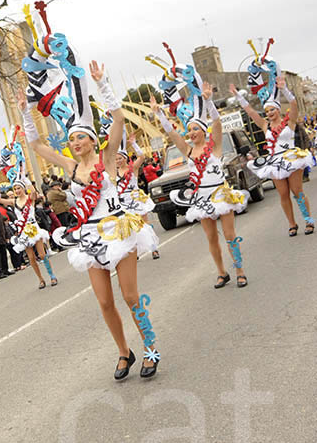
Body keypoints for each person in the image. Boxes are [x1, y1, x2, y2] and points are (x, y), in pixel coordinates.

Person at [20, 3, 161, 379]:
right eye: (73, 139)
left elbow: (116, 119)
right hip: (89, 237)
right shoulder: (69, 166)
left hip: (118, 229)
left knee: (131, 297)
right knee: (104, 302)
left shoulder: (107, 156)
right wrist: (25, 113)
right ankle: (123, 352)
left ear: (92, 139)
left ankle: (151, 348)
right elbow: (36, 146)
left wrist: (101, 85)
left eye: (81, 137)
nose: (76, 142)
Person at [153, 81, 248, 288]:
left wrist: (208, 101)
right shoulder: (187, 151)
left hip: (220, 195)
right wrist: (160, 114)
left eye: (196, 129)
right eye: (189, 130)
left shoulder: (215, 148)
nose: (192, 132)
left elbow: (217, 122)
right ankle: (222, 273)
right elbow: (173, 134)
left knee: (230, 235)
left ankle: (239, 270)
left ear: (204, 131)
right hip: (201, 198)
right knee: (211, 238)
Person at [232, 68, 314, 235]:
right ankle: (292, 224)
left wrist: (283, 88)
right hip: (275, 163)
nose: (269, 113)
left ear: (278, 110)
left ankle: (308, 221)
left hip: (291, 158)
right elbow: (250, 111)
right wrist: (238, 95)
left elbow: (294, 104)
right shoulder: (264, 125)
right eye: (267, 110)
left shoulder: (289, 122)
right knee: (283, 194)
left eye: (272, 109)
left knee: (297, 191)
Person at [106, 125, 160, 259]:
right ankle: (133, 251)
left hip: (136, 199)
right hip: (123, 203)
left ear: (125, 158)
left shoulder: (133, 168)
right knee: (129, 228)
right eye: (116, 159)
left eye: (120, 158)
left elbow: (141, 157)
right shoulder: (114, 172)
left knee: (144, 224)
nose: (118, 161)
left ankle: (153, 248)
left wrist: (134, 144)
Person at [0, 179, 58, 289]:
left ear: (23, 188)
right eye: (15, 189)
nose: (17, 190)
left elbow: (33, 192)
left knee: (42, 255)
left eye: (18, 188)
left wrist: (25, 179)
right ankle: (41, 279)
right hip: (24, 232)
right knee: (31, 257)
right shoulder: (13, 202)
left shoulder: (30, 199)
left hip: (34, 229)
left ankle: (52, 276)